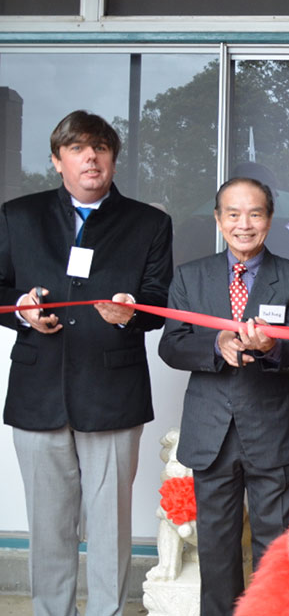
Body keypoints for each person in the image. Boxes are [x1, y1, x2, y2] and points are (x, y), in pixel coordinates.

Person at [0, 110, 173, 616]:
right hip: (38, 391)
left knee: (110, 527)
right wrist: (22, 312)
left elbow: (158, 301)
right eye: (77, 148)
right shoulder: (18, 216)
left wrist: (130, 315)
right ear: (57, 161)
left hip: (113, 393)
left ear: (114, 159)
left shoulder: (149, 223)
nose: (90, 157)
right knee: (49, 525)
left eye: (99, 147)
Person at [158, 177, 289, 616]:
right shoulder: (191, 277)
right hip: (211, 432)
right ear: (218, 219)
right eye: (233, 214)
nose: (243, 224)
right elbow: (171, 345)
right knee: (216, 549)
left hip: (273, 430)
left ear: (269, 219)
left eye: (255, 213)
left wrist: (272, 348)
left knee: (274, 550)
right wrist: (215, 346)